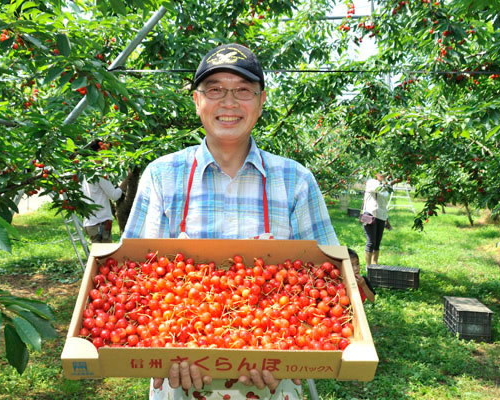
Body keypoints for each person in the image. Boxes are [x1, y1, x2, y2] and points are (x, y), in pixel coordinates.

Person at [122, 43, 340, 399]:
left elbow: (333, 283)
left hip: (275, 376)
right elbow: (135, 280)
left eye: (243, 91)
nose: (228, 102)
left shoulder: (295, 180)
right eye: (215, 90)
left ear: (261, 100)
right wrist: (168, 346)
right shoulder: (162, 176)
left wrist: (280, 349)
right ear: (196, 100)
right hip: (181, 377)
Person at [80, 140, 127, 243]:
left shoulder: (85, 171)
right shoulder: (99, 173)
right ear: (99, 152)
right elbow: (114, 196)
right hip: (100, 223)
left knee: (99, 255)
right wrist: (127, 179)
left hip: (91, 223)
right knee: (104, 256)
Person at [361, 172, 396, 267]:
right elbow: (379, 188)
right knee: (371, 241)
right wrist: (393, 182)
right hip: (370, 214)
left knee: (377, 242)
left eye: (385, 174)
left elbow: (383, 204)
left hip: (381, 216)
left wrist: (386, 219)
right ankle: (368, 267)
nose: (383, 175)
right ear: (375, 174)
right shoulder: (372, 182)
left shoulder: (385, 187)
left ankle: (374, 264)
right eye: (381, 173)